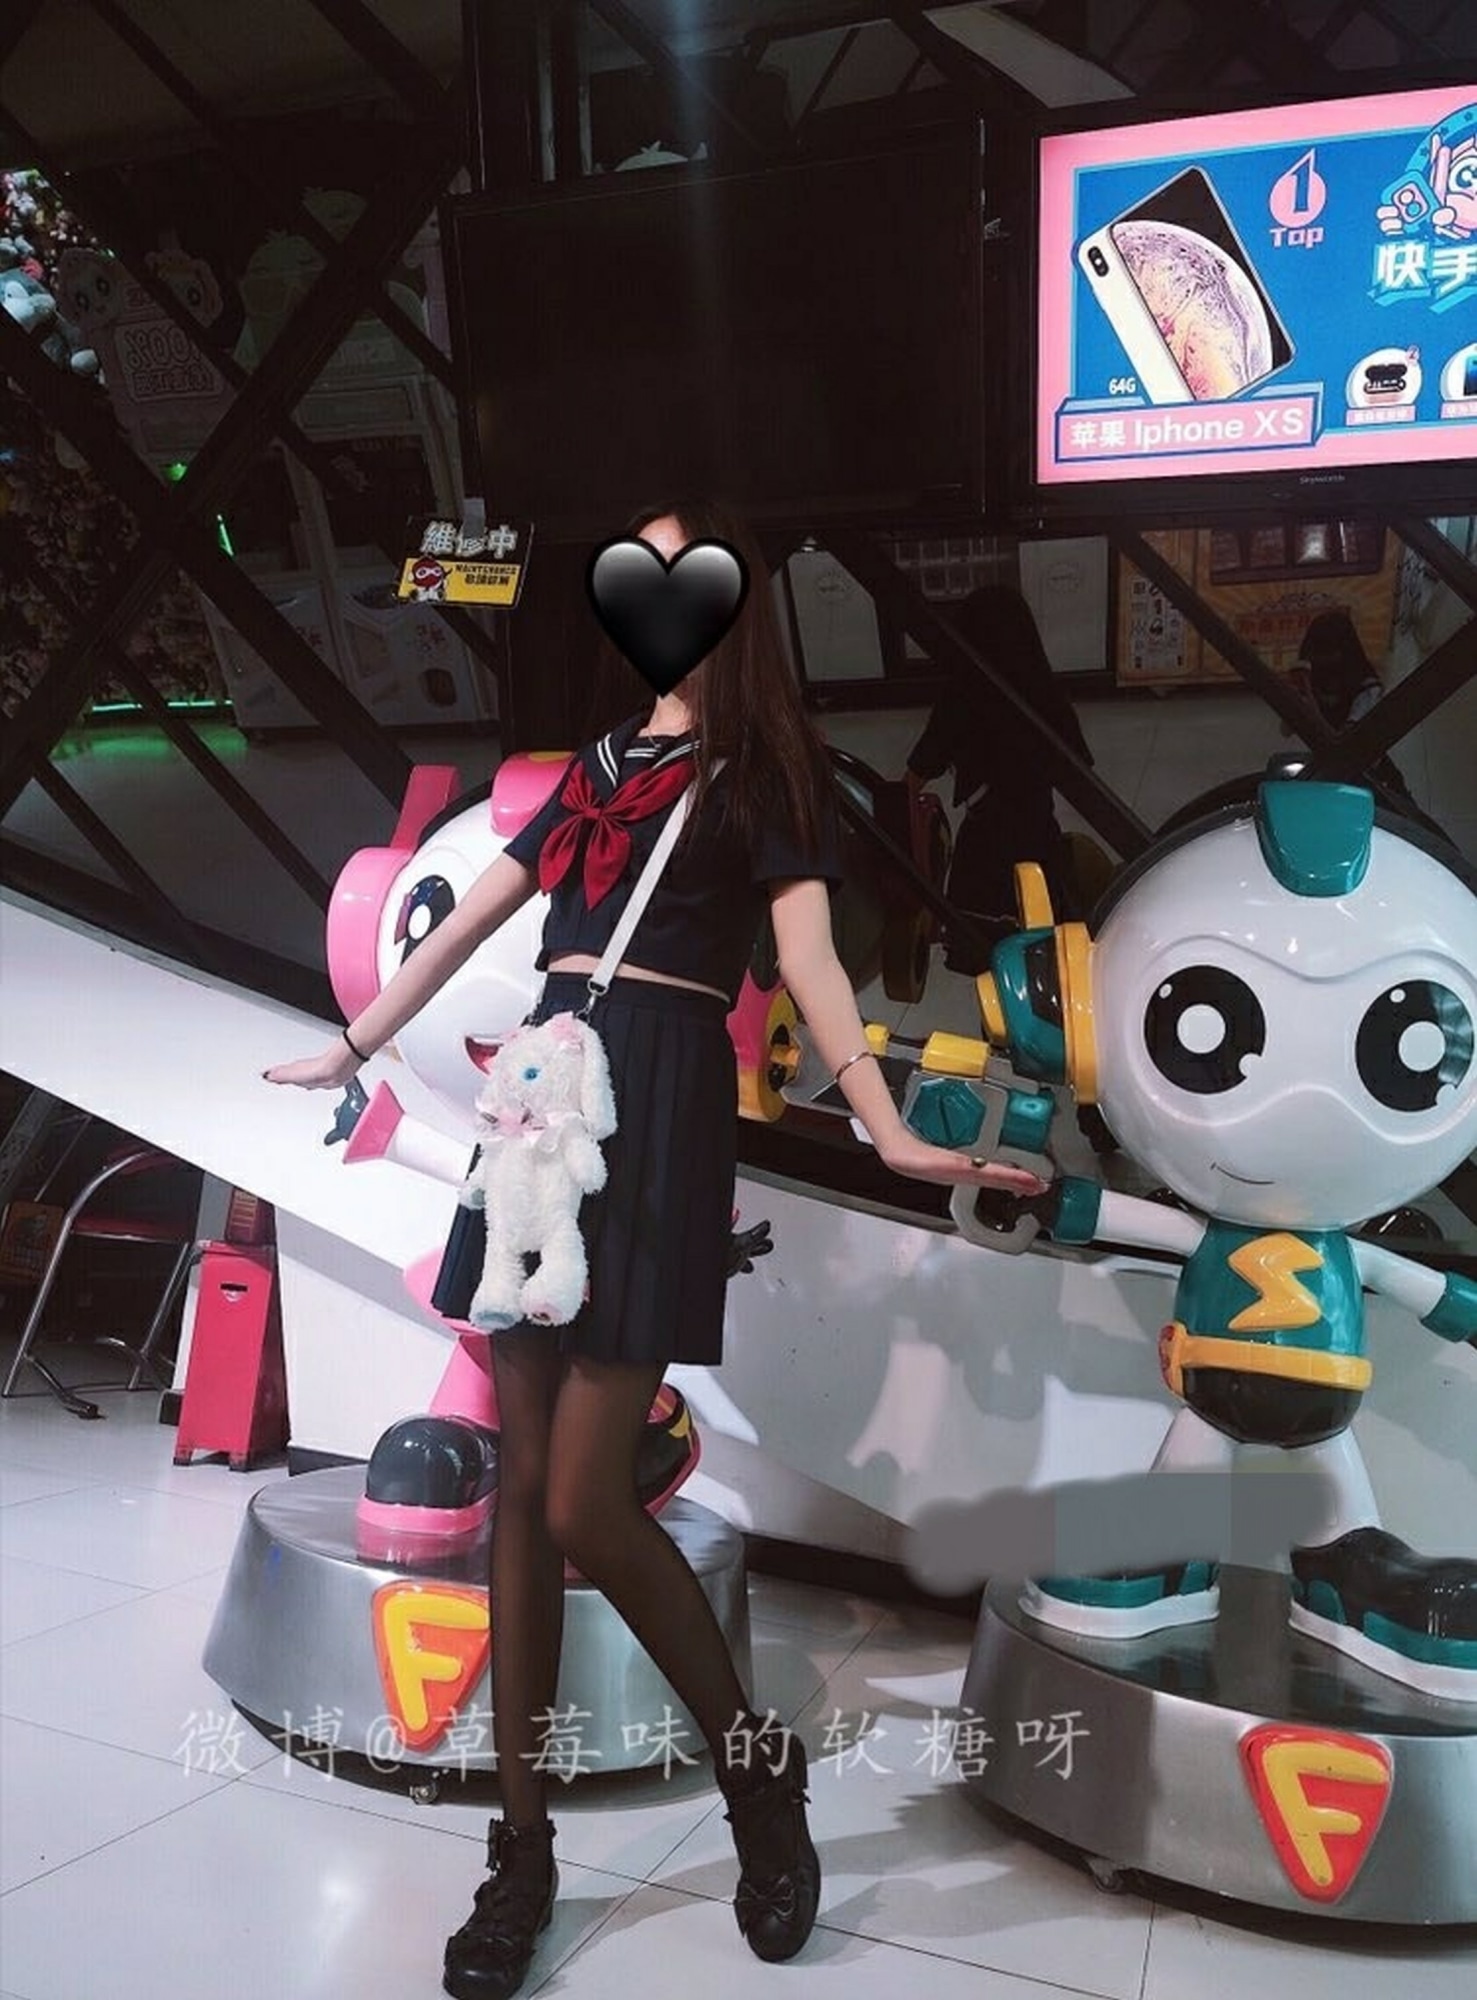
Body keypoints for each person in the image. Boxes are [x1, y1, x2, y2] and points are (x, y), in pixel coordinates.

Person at [265, 499, 1046, 2000]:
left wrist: (886, 1126)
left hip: (662, 1099)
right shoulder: (601, 764)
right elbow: (476, 913)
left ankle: (755, 1770)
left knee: (580, 1499)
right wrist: (355, 1041)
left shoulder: (769, 770)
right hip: (542, 1094)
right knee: (518, 1497)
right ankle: (521, 1850)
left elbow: (810, 963)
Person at [905, 585, 1094, 974]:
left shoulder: (961, 697)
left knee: (987, 960)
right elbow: (1082, 773)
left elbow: (914, 777)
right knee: (1041, 956)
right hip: (1039, 840)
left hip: (984, 853)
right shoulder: (1045, 692)